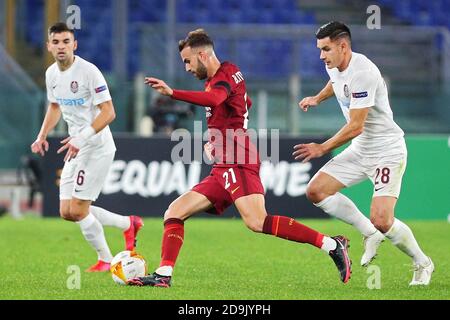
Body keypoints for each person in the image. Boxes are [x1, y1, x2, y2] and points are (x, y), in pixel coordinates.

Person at [128, 29, 352, 287]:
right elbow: (246, 103)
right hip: (224, 162)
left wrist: (173, 93)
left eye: (188, 61)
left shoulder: (222, 77)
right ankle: (163, 275)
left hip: (238, 159)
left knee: (257, 221)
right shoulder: (226, 75)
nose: (187, 67)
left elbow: (216, 98)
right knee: (175, 212)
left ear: (203, 54)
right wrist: (215, 139)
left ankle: (332, 245)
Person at [294, 21, 433, 285]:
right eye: (320, 50)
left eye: (326, 49)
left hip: (386, 150)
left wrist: (323, 147)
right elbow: (335, 83)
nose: (321, 56)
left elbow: (356, 126)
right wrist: (316, 98)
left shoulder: (364, 72)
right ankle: (369, 233)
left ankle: (422, 262)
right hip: (361, 150)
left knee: (382, 219)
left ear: (343, 46)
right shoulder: (334, 66)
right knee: (316, 191)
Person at [31, 22, 143, 272]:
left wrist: (82, 138)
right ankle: (128, 223)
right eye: (56, 42)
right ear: (49, 46)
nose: (61, 47)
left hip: (96, 147)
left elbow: (109, 112)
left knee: (79, 210)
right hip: (75, 147)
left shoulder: (89, 72)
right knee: (67, 211)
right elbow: (55, 106)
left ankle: (106, 259)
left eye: (66, 42)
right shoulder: (51, 74)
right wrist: (42, 135)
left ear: (75, 45)